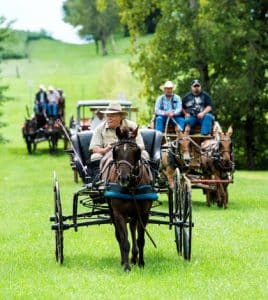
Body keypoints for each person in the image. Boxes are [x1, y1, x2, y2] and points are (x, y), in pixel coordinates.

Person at [89, 102, 149, 178]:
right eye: (107, 115)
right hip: (107, 154)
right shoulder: (100, 128)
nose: (109, 118)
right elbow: (94, 148)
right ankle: (98, 180)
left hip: (129, 156)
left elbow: (141, 145)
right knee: (95, 156)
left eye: (112, 115)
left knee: (145, 154)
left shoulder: (132, 126)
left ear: (120, 116)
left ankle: (149, 180)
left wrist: (130, 149)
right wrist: (104, 150)